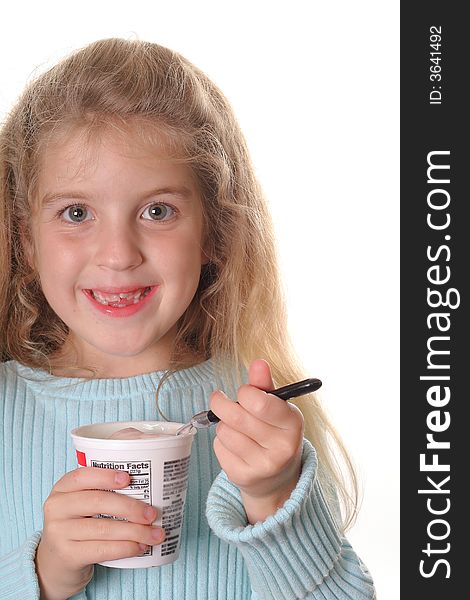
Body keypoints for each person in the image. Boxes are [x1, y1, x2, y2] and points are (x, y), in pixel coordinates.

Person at [0, 38, 375, 600]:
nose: (118, 254)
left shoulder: (257, 415)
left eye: (157, 211)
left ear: (213, 234)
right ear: (26, 238)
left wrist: (274, 498)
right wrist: (45, 572)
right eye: (76, 213)